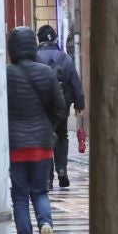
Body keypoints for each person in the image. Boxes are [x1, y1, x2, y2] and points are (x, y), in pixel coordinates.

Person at [6, 25, 68, 234]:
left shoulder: (6, 74)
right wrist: (48, 128)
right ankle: (46, 225)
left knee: (20, 195)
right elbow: (60, 108)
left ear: (12, 48)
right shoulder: (47, 72)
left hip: (16, 145)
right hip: (42, 143)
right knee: (40, 191)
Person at [34, 24, 86, 188]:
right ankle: (62, 170)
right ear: (55, 39)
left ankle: (48, 177)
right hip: (62, 107)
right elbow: (75, 82)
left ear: (39, 39)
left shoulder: (34, 57)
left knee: (45, 139)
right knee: (62, 136)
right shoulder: (65, 58)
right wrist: (79, 104)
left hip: (41, 108)